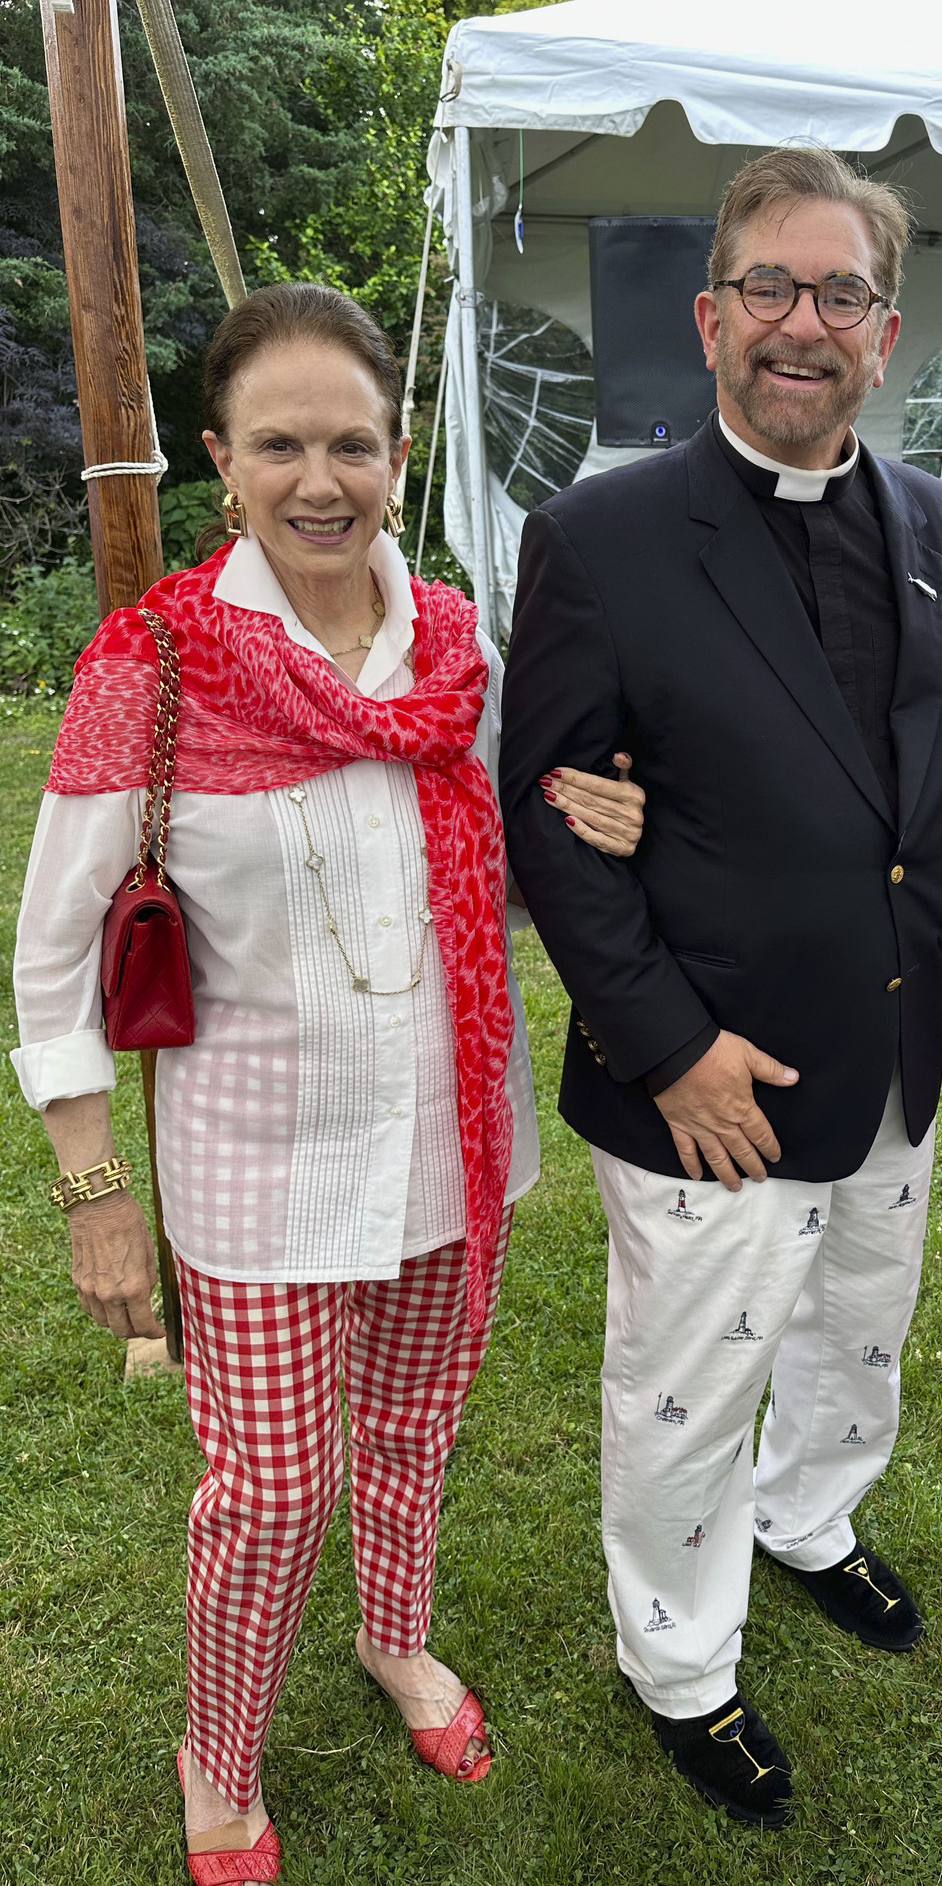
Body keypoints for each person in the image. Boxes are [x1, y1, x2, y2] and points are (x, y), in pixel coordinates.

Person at [12, 284, 644, 1883]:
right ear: (221, 459)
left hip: (448, 1142)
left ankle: (394, 1638)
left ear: (398, 448)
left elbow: (482, 875)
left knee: (418, 1430)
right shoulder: (151, 665)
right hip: (258, 1171)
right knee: (274, 1490)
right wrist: (98, 1199)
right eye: (279, 444)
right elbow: (50, 957)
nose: (319, 480)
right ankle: (215, 1756)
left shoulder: (454, 646)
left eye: (349, 443)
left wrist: (582, 826)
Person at [496, 148, 942, 1827]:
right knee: (687, 1391)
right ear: (710, 321)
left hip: (893, 1042)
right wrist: (672, 1048)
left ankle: (813, 1521)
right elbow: (553, 829)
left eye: (839, 293)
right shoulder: (599, 537)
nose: (804, 323)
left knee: (860, 1338)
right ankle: (681, 1665)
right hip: (708, 1071)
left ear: (887, 329)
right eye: (771, 289)